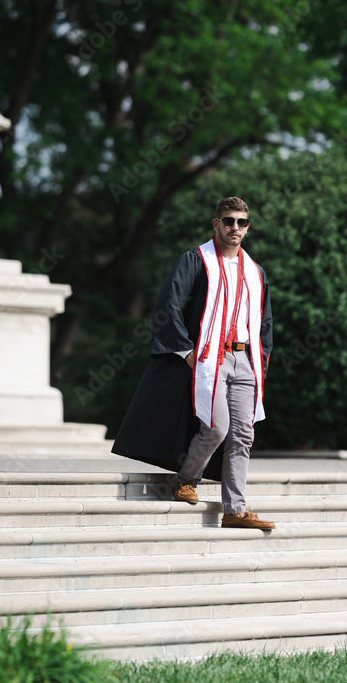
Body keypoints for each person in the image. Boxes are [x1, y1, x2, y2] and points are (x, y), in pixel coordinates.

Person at [112, 196, 274, 530]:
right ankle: (186, 479)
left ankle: (235, 510)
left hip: (246, 359)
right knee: (216, 427)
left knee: (243, 434)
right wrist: (184, 350)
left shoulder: (255, 271)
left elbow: (265, 322)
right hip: (210, 356)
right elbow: (169, 302)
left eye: (242, 222)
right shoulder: (196, 260)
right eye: (228, 221)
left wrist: (262, 364)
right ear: (216, 224)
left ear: (248, 226)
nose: (235, 228)